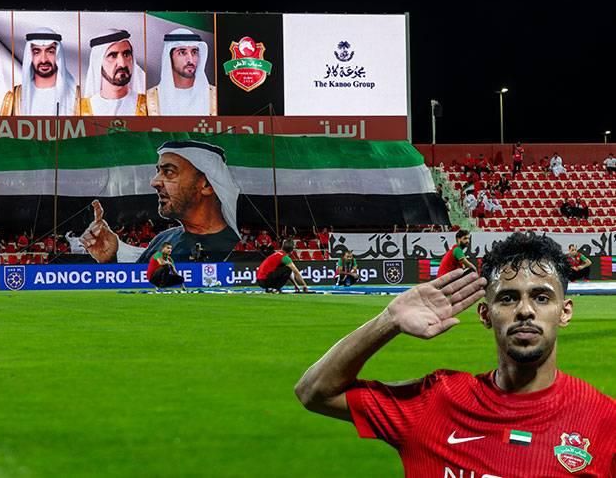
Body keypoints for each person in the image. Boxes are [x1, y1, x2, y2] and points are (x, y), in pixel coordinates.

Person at [294, 232, 616, 477]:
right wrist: (388, 321)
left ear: (565, 311)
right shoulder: (435, 401)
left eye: (541, 297)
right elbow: (314, 391)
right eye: (507, 298)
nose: (525, 310)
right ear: (485, 314)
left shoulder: (605, 420)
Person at [81, 140, 240, 263]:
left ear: (206, 185)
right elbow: (139, 287)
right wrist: (109, 260)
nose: (154, 182)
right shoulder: (164, 239)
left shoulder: (235, 246)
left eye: (169, 172)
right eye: (158, 172)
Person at [1, 28, 79, 116]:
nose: (43, 60)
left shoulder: (75, 96)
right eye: (37, 52)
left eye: (50, 52)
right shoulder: (16, 97)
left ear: (58, 55)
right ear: (30, 56)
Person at [146, 28, 216, 116]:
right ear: (169, 57)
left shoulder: (215, 96)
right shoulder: (149, 99)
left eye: (194, 52)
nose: (190, 60)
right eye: (182, 52)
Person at [79, 29, 147, 116]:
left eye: (126, 55)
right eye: (113, 56)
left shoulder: (149, 107)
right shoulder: (80, 111)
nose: (122, 64)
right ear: (98, 63)